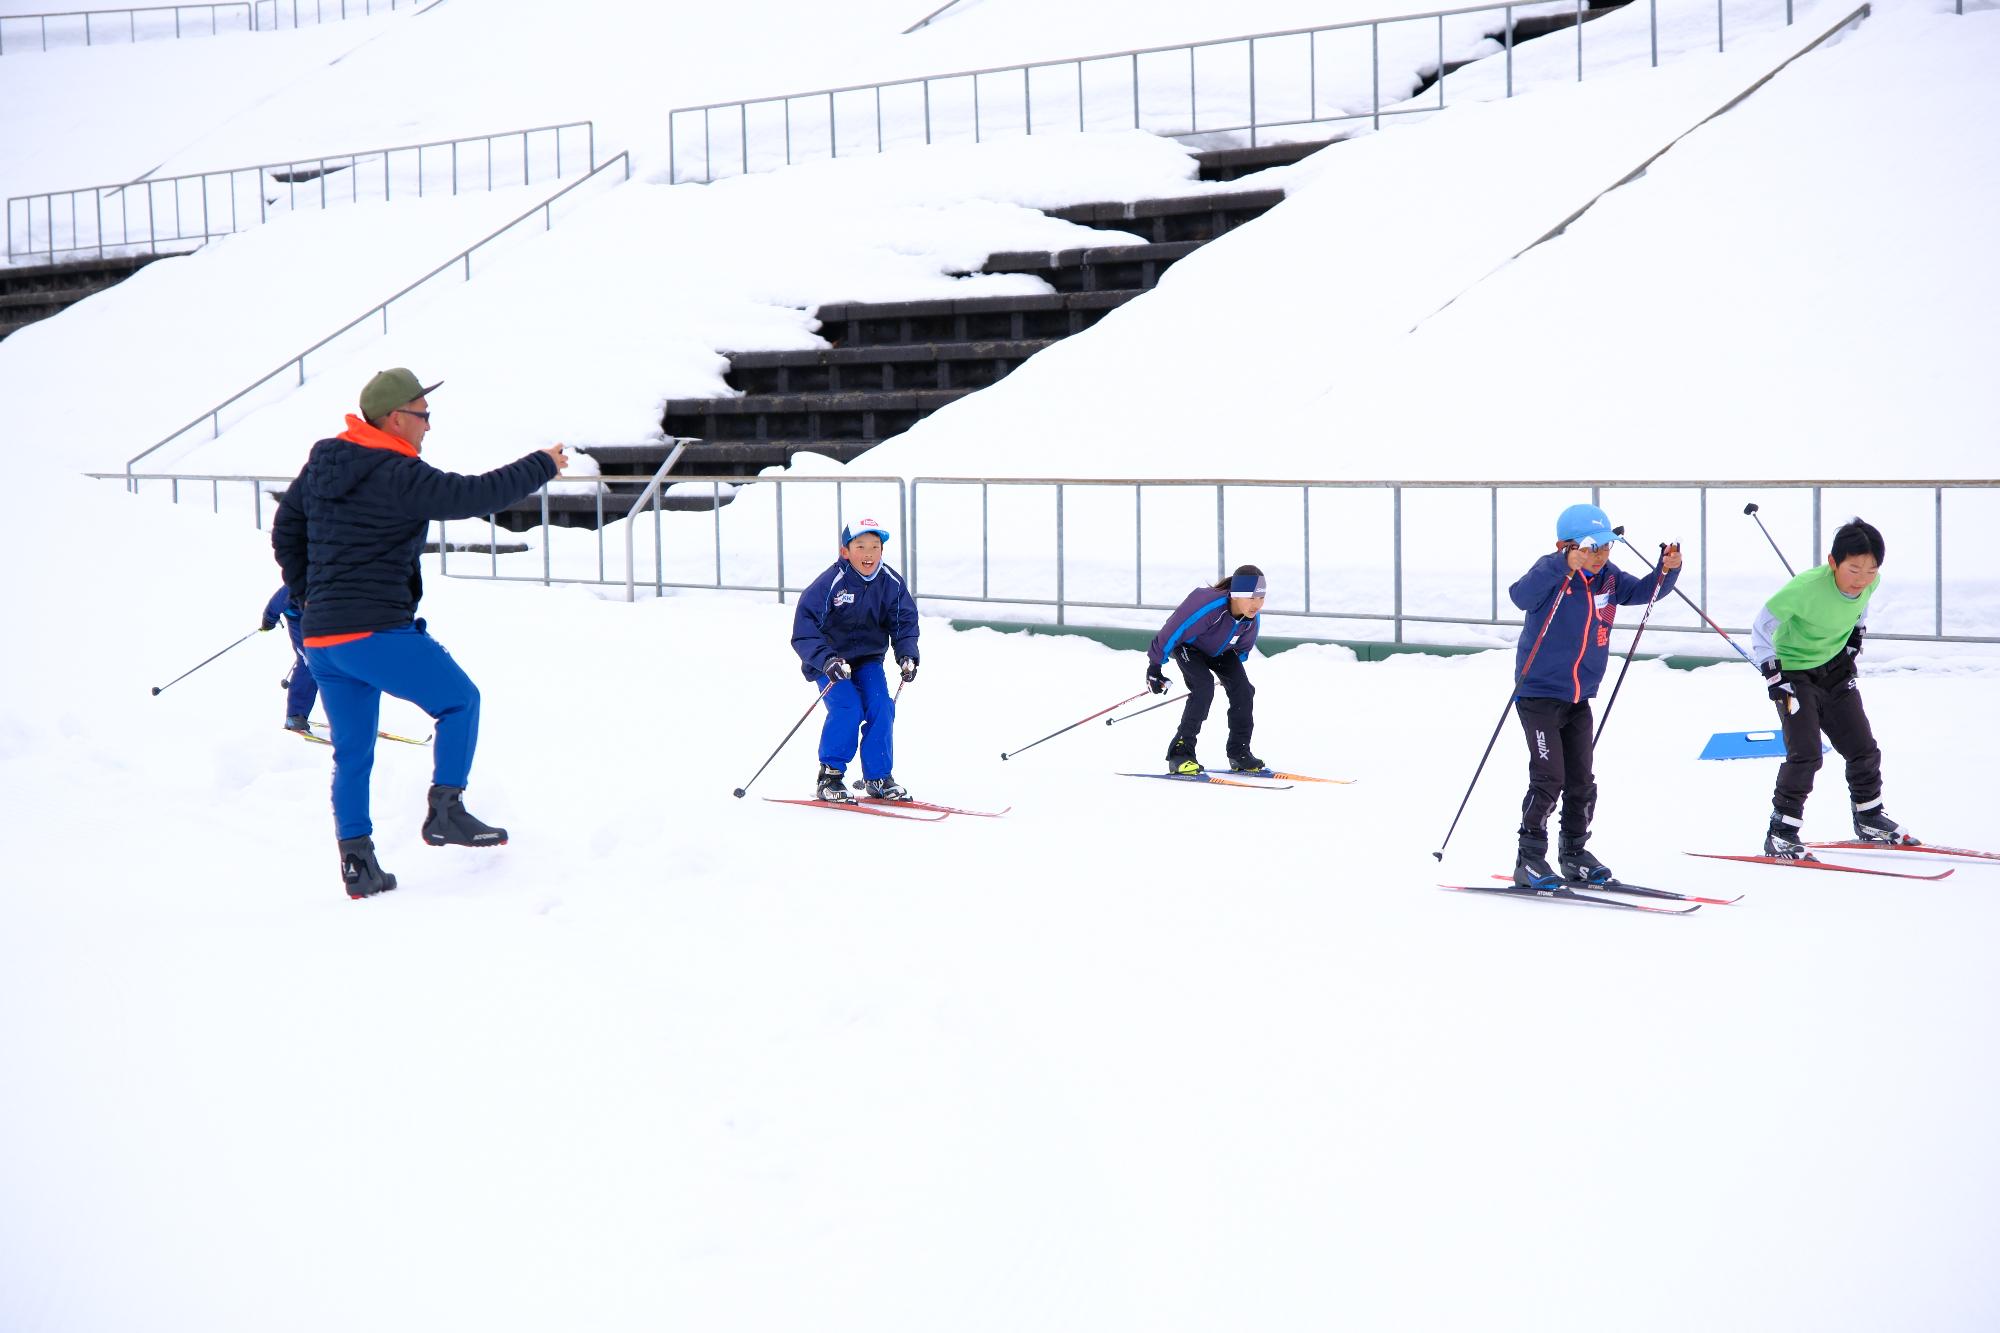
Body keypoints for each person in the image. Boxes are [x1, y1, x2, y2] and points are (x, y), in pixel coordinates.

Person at [272, 367, 567, 899]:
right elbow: (474, 495)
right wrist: (542, 463)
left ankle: (358, 863)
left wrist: (306, 595)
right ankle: (446, 811)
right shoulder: (395, 473)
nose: (429, 425)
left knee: (353, 753)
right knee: (460, 701)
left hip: (322, 641)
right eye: (423, 415)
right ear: (394, 418)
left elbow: (286, 528)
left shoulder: (323, 465)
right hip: (374, 633)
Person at [1507, 504, 1681, 888]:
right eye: (1591, 547)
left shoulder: (1608, 578)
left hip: (1579, 697)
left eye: (1605, 547)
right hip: (1539, 695)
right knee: (1549, 778)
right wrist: (1561, 566)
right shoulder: (1551, 572)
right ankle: (1529, 858)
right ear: (1566, 547)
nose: (1600, 555)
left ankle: (1574, 853)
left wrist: (1667, 570)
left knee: (1582, 781)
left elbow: (1643, 592)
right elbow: (1520, 596)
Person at [1752, 518, 1906, 859]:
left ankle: (1869, 816)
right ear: (1833, 562)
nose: (1862, 579)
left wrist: (1855, 636)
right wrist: (1773, 673)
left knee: (1862, 747)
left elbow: (1859, 607)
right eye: (1854, 569)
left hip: (1834, 669)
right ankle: (1781, 832)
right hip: (1794, 673)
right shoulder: (1804, 589)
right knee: (1806, 754)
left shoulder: (1870, 583)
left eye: (1871, 570)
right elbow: (1761, 627)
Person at [791, 515, 920, 803]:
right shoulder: (831, 582)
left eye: (875, 546)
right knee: (848, 707)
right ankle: (830, 775)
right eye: (860, 546)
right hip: (831, 663)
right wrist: (826, 660)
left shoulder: (890, 582)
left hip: (867, 660)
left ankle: (878, 776)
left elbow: (904, 622)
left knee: (881, 706)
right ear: (845, 551)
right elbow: (805, 628)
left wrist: (907, 654)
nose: (868, 553)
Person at [1145, 564, 1267, 775]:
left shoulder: (1250, 618)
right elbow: (1173, 630)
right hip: (1189, 648)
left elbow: (1242, 649)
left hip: (1221, 652)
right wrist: (1154, 666)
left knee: (1243, 690)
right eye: (1251, 597)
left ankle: (1240, 752)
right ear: (1236, 594)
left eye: (1261, 598)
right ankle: (1180, 753)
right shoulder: (1209, 605)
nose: (1257, 604)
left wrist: (1231, 676)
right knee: (1203, 688)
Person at [259, 584, 317, 733]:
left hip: (328, 620)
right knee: (309, 664)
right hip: (299, 620)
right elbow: (281, 598)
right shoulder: (304, 577)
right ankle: (295, 716)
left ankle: (350, 714)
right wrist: (269, 619)